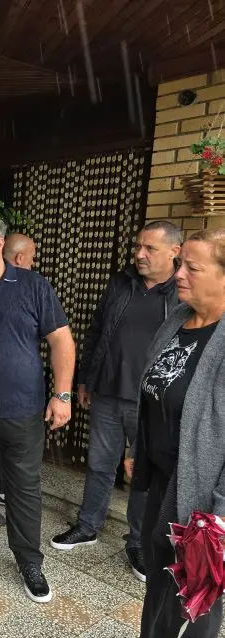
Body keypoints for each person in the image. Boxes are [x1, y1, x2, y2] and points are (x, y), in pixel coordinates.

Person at [0, 213, 75, 604]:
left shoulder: (33, 286)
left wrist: (63, 395)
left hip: (21, 408)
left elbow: (61, 341)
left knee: (23, 487)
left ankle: (28, 560)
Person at [50, 220, 182, 582]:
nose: (139, 254)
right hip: (107, 392)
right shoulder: (121, 282)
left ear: (174, 251)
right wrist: (85, 379)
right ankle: (88, 525)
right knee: (100, 463)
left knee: (144, 472)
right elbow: (97, 330)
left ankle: (138, 542)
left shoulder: (181, 292)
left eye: (150, 248)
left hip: (152, 401)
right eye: (138, 246)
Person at [129, 229, 225, 637]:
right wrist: (138, 448)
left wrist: (221, 512)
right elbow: (153, 393)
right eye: (180, 263)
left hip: (204, 501)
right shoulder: (176, 320)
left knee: (195, 601)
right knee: (159, 582)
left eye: (193, 268)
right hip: (164, 481)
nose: (179, 273)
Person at [0, 231, 37, 527]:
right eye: (31, 259)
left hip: (15, 400)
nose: (32, 264)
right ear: (20, 258)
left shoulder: (33, 287)